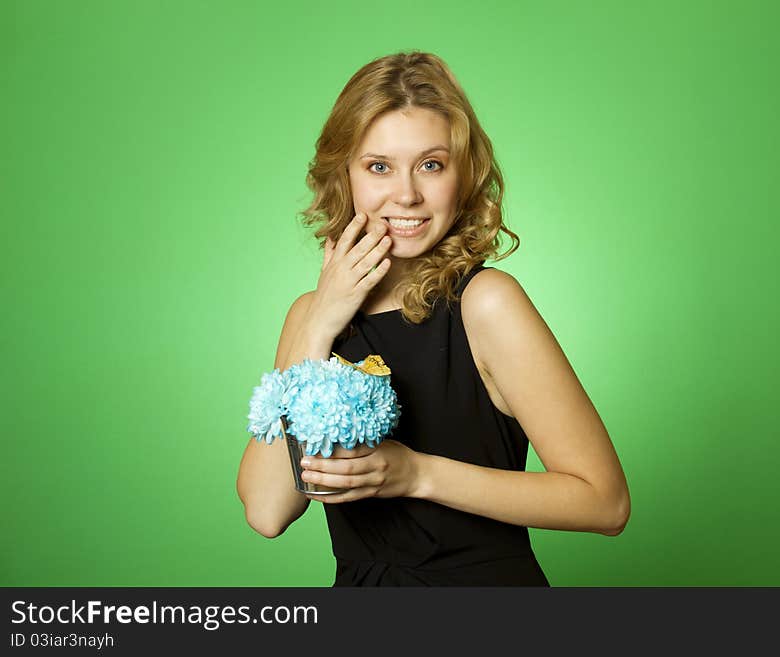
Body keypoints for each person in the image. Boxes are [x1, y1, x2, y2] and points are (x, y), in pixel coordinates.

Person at [236, 51, 630, 586]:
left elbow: (604, 503)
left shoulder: (487, 303)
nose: (406, 194)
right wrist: (320, 323)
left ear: (461, 175)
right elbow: (266, 512)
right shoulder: (310, 318)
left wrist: (416, 474)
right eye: (379, 167)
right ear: (344, 176)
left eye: (431, 164)